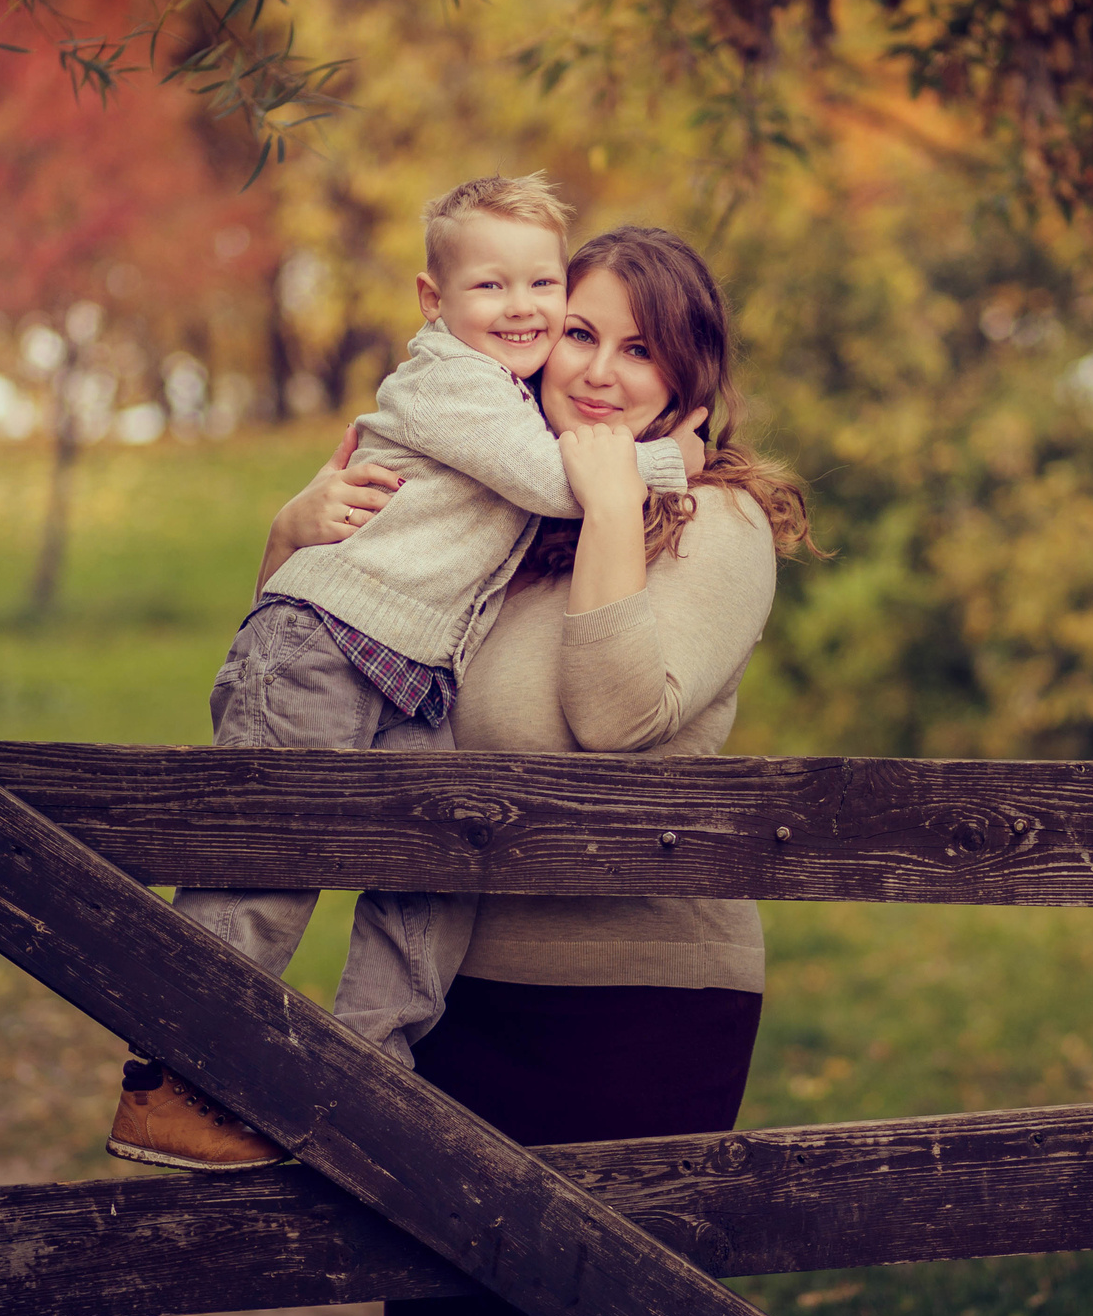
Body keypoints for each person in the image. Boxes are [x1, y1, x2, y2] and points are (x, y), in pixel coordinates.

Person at [268, 225, 816, 1316]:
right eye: (580, 332)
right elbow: (302, 685)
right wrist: (291, 532)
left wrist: (618, 501)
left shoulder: (716, 525)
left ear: (690, 379)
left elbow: (616, 722)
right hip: (458, 994)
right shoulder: (498, 516)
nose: (603, 371)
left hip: (638, 1006)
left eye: (642, 349)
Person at [106, 177, 707, 1172]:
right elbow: (550, 481)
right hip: (322, 645)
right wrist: (664, 459)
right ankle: (170, 1083)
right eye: (489, 285)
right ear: (434, 302)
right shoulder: (448, 381)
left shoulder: (516, 397)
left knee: (435, 877)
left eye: (540, 282)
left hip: (405, 674)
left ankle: (364, 1072)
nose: (519, 306)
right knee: (265, 864)